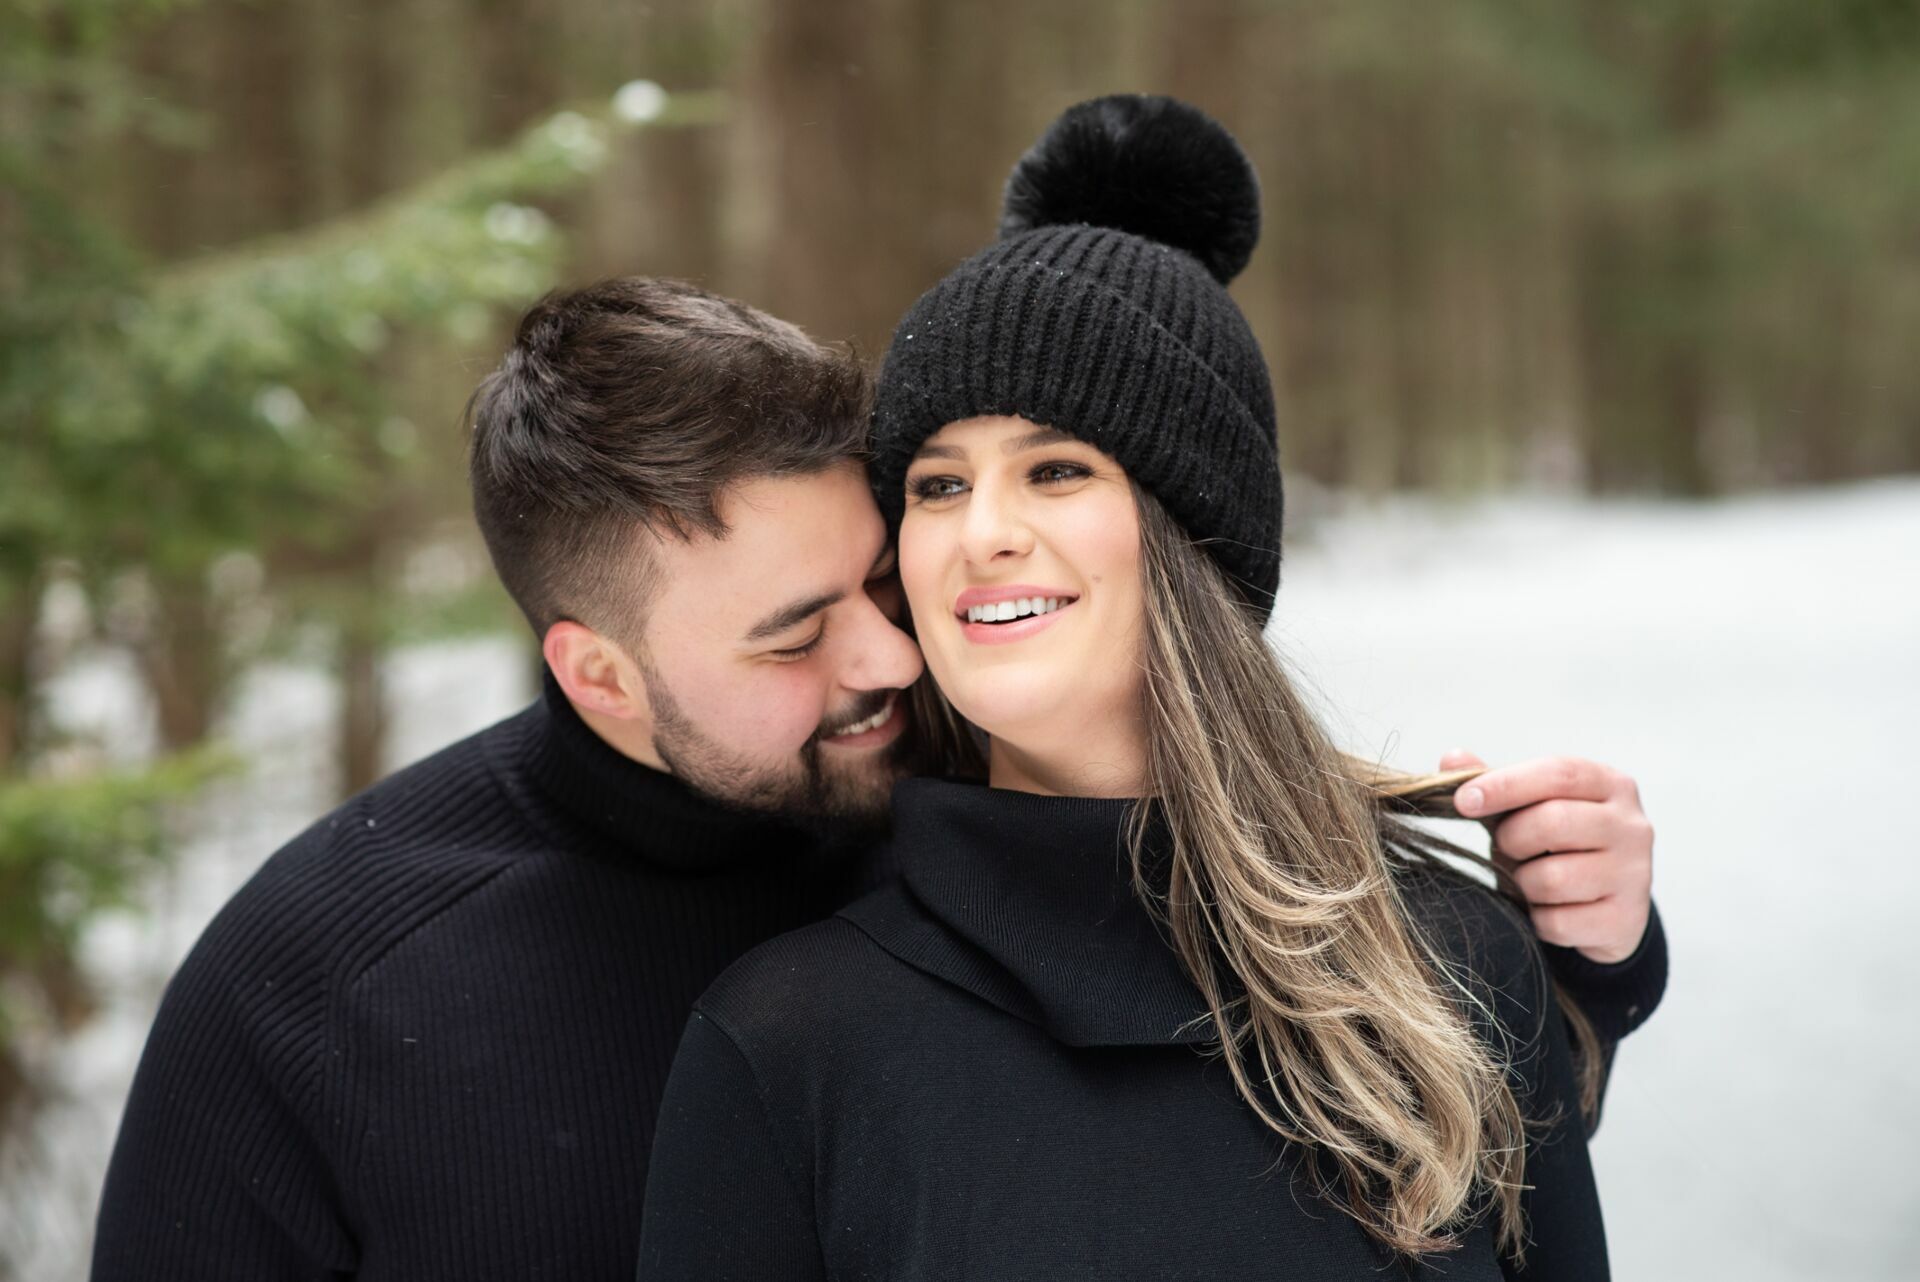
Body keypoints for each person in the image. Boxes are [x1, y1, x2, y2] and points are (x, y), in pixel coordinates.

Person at [94, 274, 1660, 1276]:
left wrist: (1579, 947)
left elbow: (1251, 898)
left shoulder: (962, 768)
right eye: (795, 638)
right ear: (599, 675)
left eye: (876, 582)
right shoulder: (327, 989)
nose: (891, 661)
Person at [638, 96, 1646, 1279]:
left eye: (1056, 469)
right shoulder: (791, 1041)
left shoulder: (1449, 967)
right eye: (938, 485)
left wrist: (1601, 964)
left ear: (1194, 539)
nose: (983, 534)